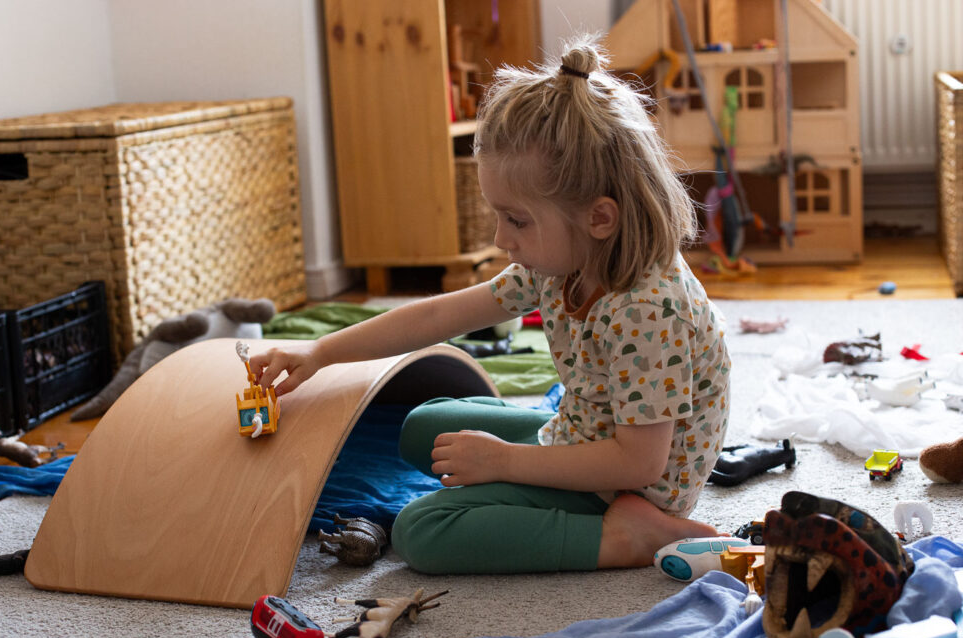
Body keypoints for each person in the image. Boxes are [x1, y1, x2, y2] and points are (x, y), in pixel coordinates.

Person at [250, 34, 730, 575]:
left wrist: (503, 461)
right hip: (583, 432)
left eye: (517, 220)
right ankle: (544, 474)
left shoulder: (649, 311)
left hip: (629, 484)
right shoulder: (565, 262)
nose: (502, 239)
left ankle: (625, 537)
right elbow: (438, 316)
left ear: (599, 218)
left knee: (420, 531)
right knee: (422, 426)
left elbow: (640, 462)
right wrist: (320, 351)